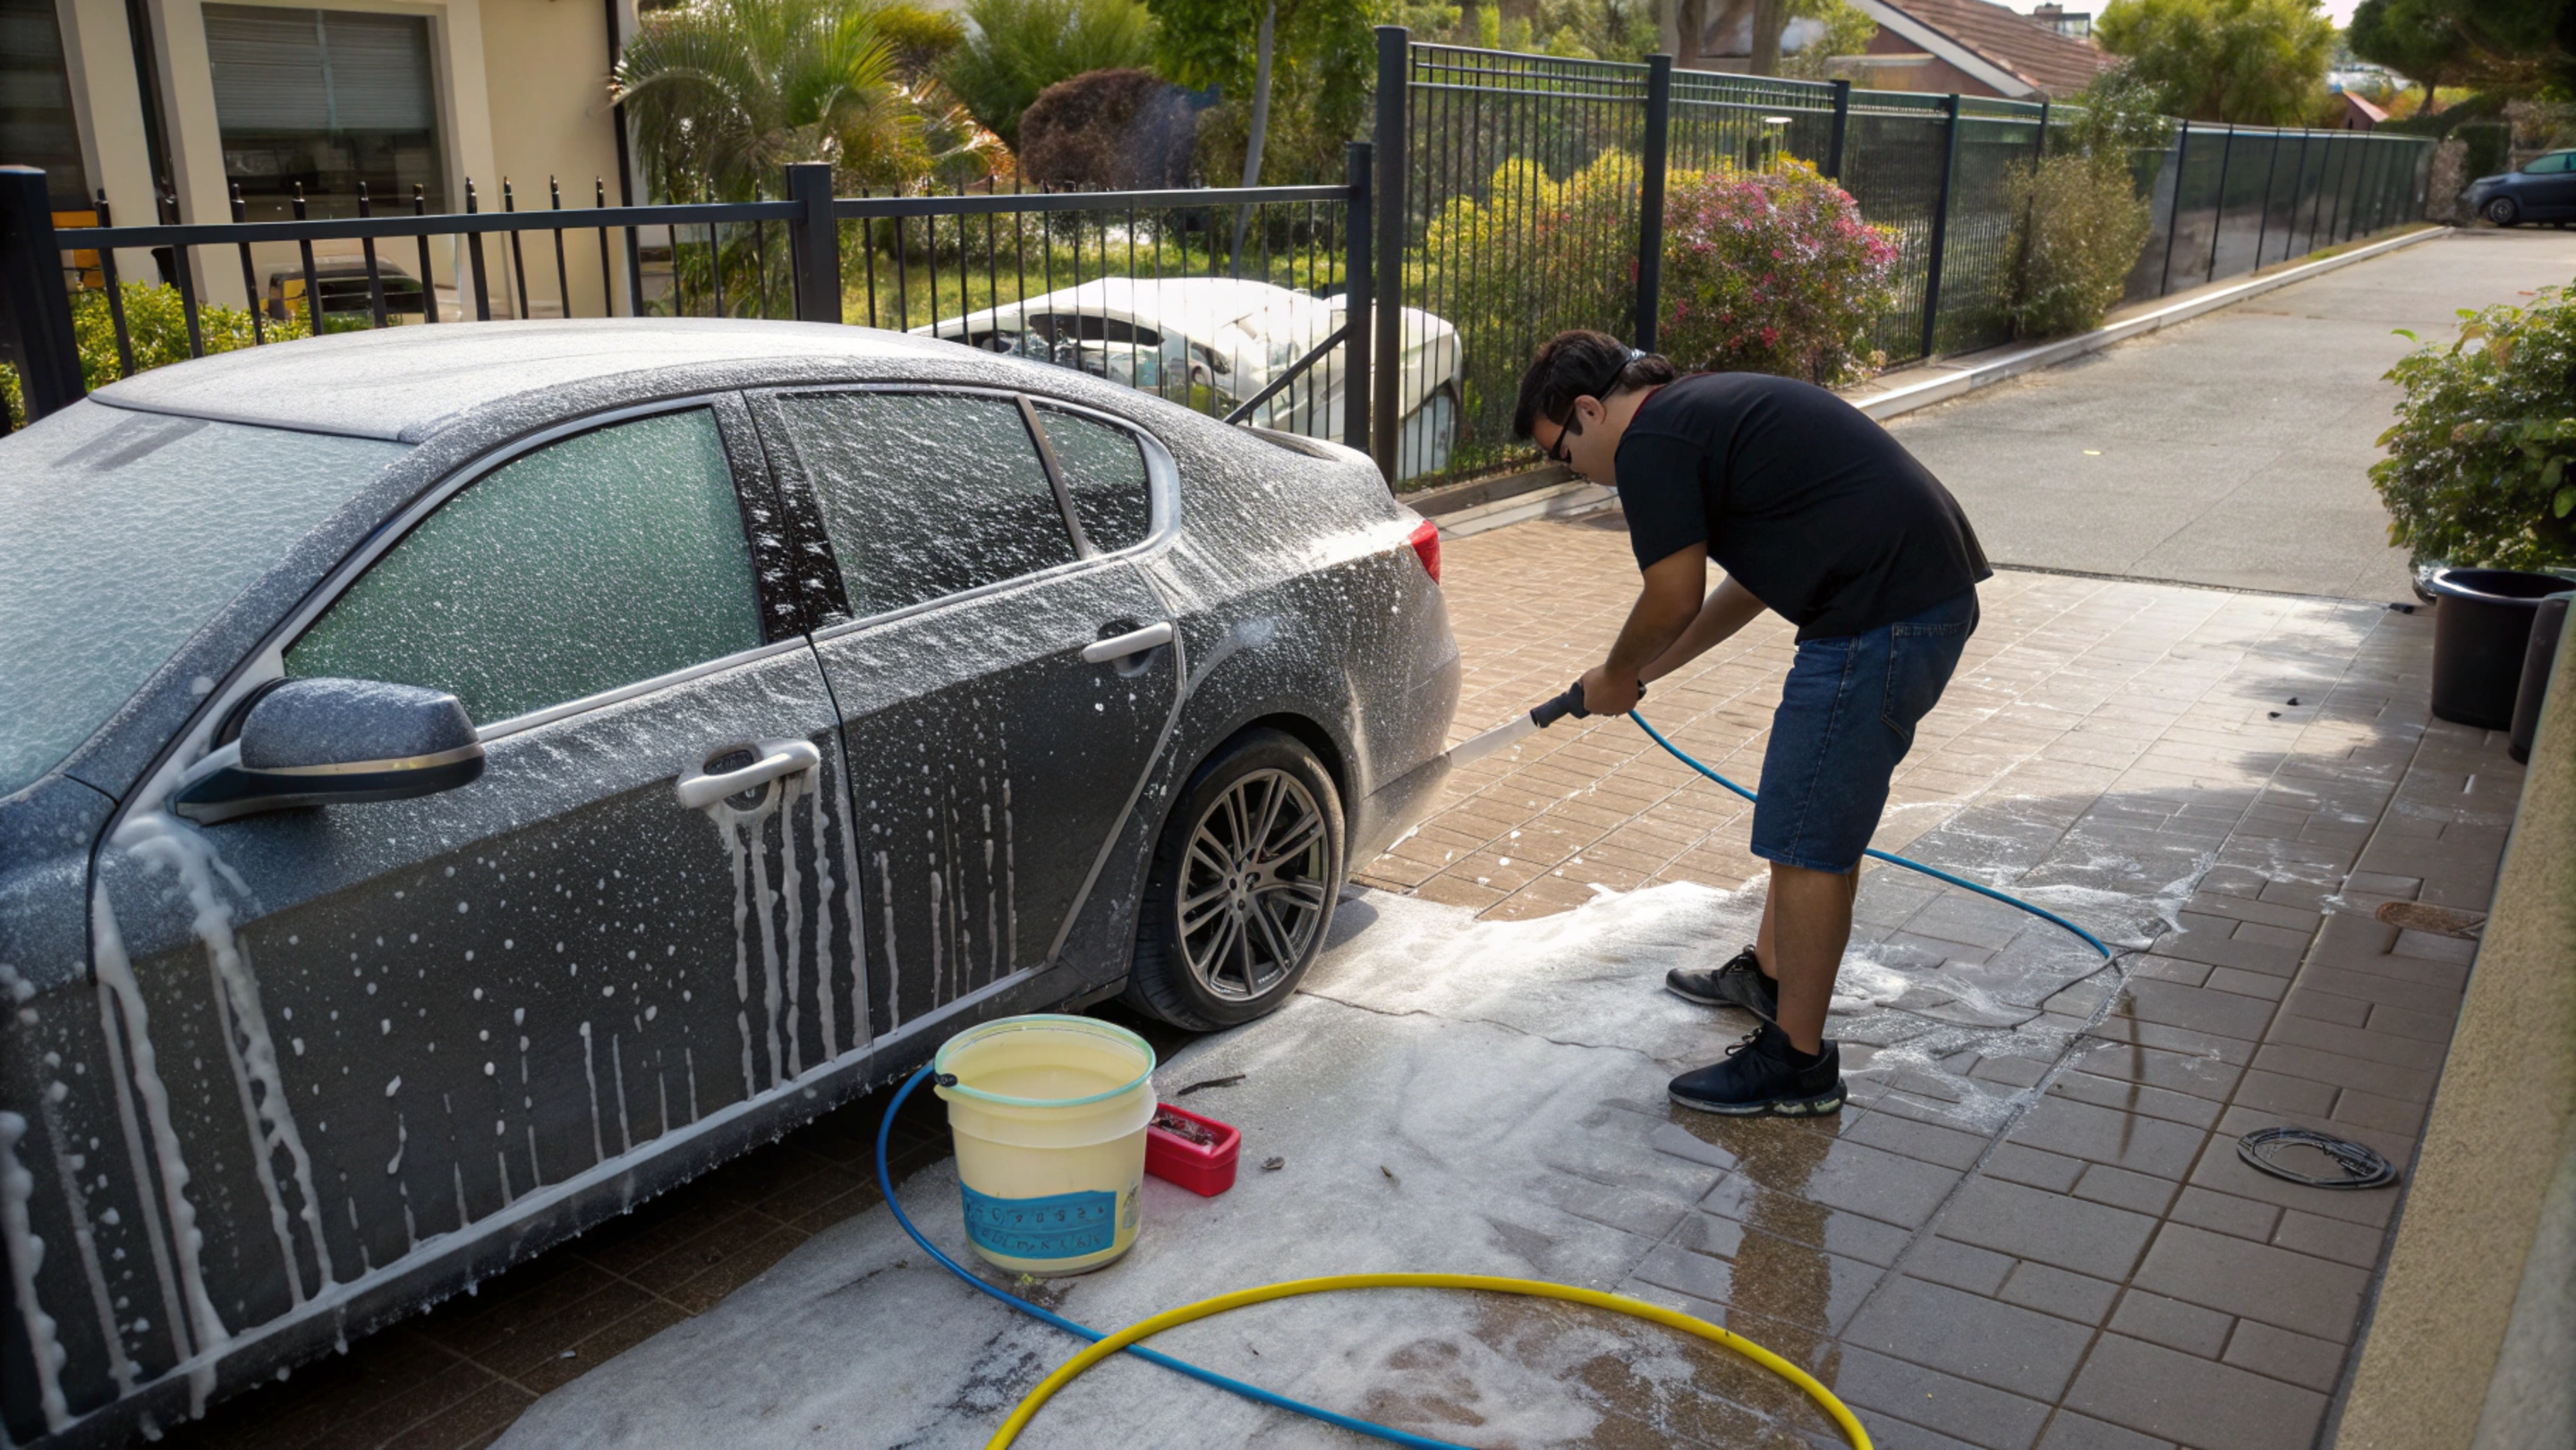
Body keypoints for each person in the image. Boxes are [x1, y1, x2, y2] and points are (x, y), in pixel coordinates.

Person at [1513, 329, 1991, 1117]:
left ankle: (1796, 1065)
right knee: (1805, 824)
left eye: (1561, 454)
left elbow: (1670, 595)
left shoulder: (1651, 443)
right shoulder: (1697, 411)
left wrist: (1613, 673)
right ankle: (1770, 979)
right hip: (1907, 604)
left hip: (1880, 617)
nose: (1575, 473)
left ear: (1590, 412)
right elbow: (1748, 584)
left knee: (1807, 840)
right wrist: (1644, 675)